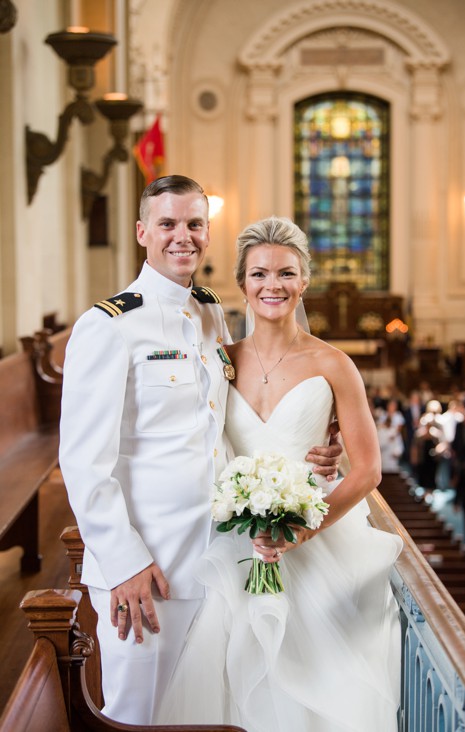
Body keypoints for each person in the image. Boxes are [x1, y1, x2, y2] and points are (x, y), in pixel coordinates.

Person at [59, 176, 340, 725]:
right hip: (147, 568)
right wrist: (123, 564)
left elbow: (226, 419)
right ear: (143, 232)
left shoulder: (211, 312)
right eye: (167, 224)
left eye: (194, 224)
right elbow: (83, 463)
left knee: (203, 713)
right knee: (140, 714)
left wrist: (316, 444)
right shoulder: (108, 326)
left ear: (207, 233)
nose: (181, 236)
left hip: (216, 557)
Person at [154, 216, 402, 731]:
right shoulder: (218, 361)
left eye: (286, 274)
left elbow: (369, 471)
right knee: (235, 679)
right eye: (260, 274)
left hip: (319, 546)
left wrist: (302, 530)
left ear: (303, 282)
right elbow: (195, 445)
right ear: (242, 284)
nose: (273, 286)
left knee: (314, 688)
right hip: (237, 545)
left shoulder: (334, 365)